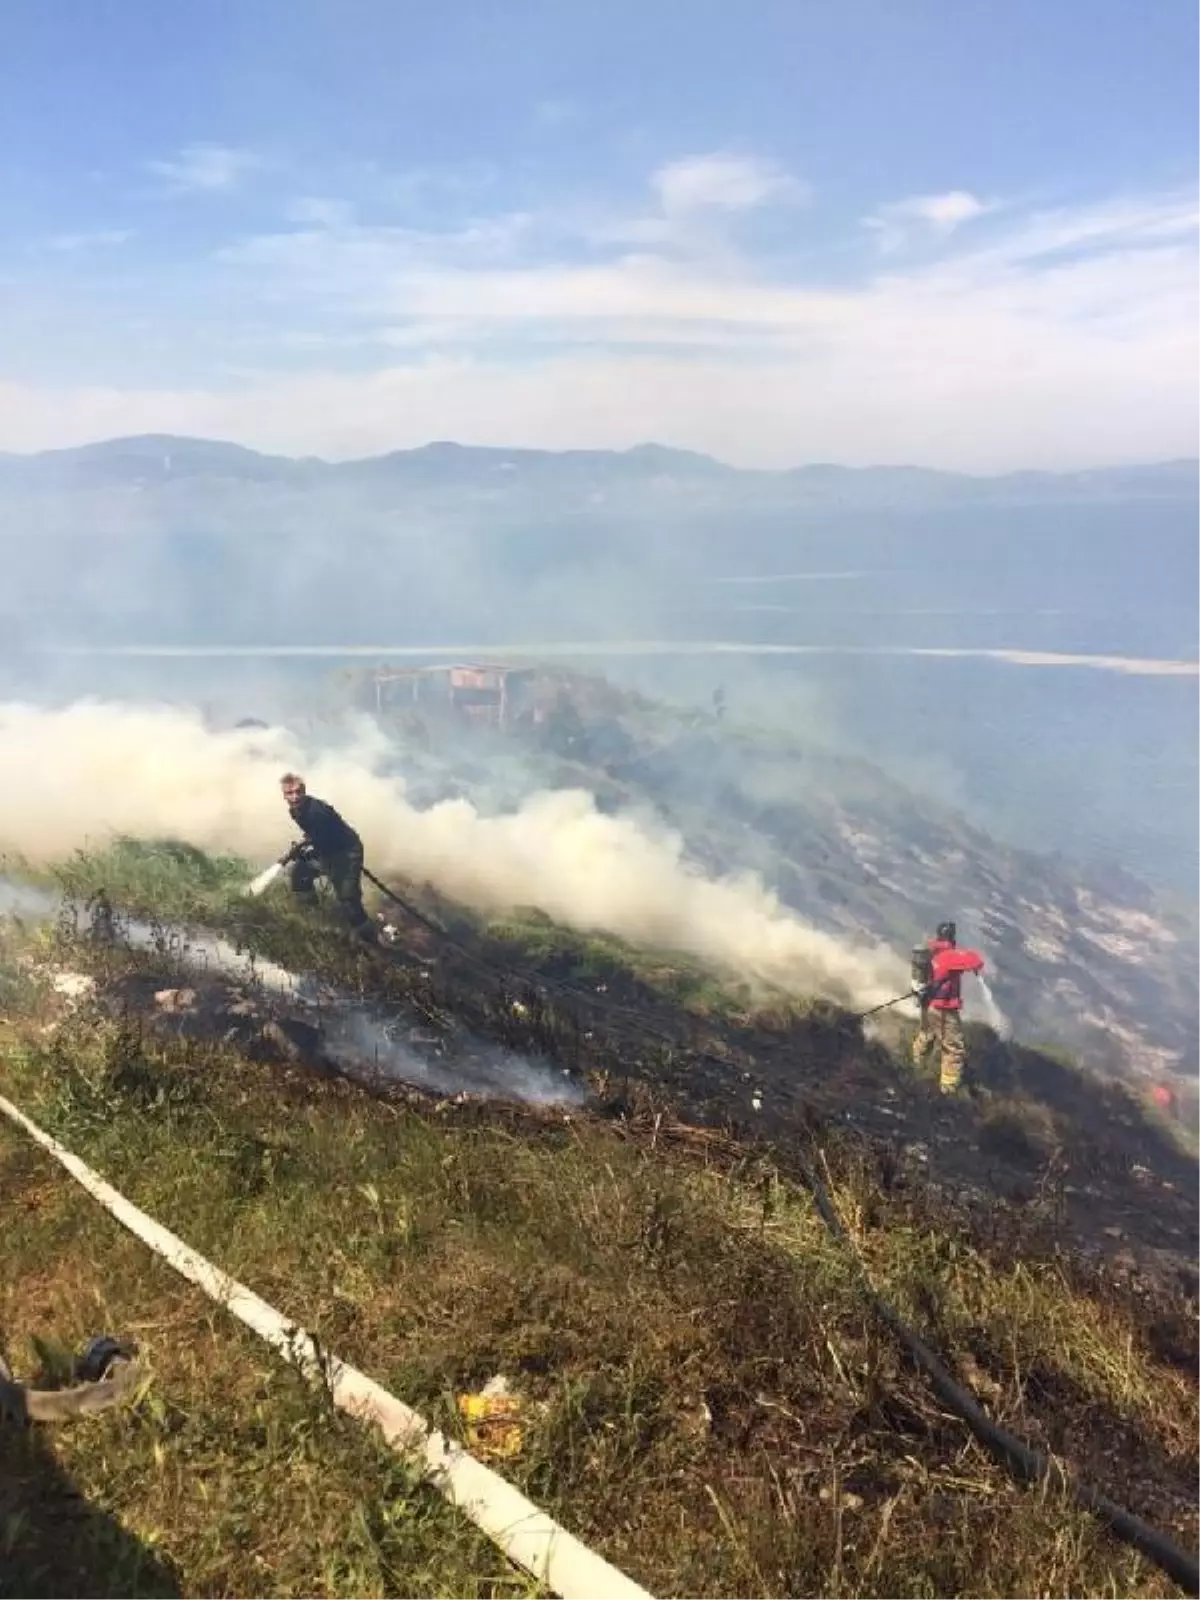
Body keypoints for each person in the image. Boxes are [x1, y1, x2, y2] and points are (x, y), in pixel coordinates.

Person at [278, 773, 377, 945]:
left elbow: (324, 837)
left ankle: (371, 940)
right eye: (290, 793)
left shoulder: (317, 810)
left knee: (348, 899)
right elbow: (313, 834)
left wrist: (302, 850)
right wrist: (304, 846)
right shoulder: (295, 811)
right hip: (327, 849)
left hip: (346, 852)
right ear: (284, 795)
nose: (295, 797)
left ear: (304, 791)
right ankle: (315, 916)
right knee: (300, 875)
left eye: (298, 792)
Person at [911, 920, 985, 1095]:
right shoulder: (950, 955)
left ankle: (914, 1065)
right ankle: (948, 1088)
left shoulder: (931, 951)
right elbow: (976, 961)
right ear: (952, 936)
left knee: (926, 1035)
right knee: (953, 1047)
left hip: (927, 1004)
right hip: (943, 1009)